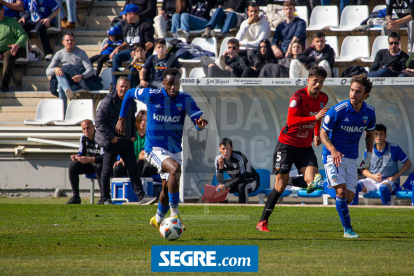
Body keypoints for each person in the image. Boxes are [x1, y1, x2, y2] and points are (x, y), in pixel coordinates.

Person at [115, 68, 208, 231]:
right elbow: (129, 93)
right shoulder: (152, 95)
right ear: (163, 83)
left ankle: (157, 219)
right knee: (175, 169)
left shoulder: (185, 99)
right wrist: (121, 119)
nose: (173, 87)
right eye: (170, 84)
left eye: (176, 84)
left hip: (174, 150)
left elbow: (196, 121)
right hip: (154, 148)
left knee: (167, 186)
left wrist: (199, 126)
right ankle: (175, 215)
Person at [256, 65, 329, 232]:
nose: (317, 85)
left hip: (305, 146)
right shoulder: (298, 97)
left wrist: (317, 134)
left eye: (321, 82)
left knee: (313, 181)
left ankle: (290, 180)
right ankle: (262, 222)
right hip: (287, 145)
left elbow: (318, 118)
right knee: (279, 187)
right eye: (315, 81)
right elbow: (291, 121)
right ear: (308, 80)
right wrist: (314, 117)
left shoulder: (323, 98)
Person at [320, 74, 376, 238]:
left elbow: (370, 135)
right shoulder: (338, 111)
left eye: (358, 92)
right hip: (332, 156)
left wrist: (368, 157)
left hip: (351, 158)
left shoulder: (369, 113)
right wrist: (333, 149)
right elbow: (323, 134)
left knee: (349, 198)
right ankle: (348, 230)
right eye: (352, 90)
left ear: (365, 95)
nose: (353, 94)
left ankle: (321, 184)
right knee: (342, 192)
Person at [94, 76, 157, 205]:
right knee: (106, 170)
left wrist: (133, 134)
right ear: (116, 87)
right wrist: (111, 137)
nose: (123, 89)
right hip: (112, 142)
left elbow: (133, 119)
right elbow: (99, 122)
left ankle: (141, 197)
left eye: (126, 87)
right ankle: (105, 198)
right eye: (121, 86)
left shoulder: (131, 102)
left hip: (126, 142)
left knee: (133, 169)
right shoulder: (107, 102)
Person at [351, 124, 411, 205]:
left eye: (381, 134)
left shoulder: (394, 148)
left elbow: (408, 164)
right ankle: (353, 212)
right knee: (355, 186)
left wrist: (395, 177)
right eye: (376, 134)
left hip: (388, 181)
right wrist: (373, 177)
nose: (378, 136)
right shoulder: (369, 149)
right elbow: (364, 170)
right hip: (372, 180)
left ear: (385, 136)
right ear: (373, 135)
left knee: (383, 189)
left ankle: (387, 210)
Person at [46, 32, 101, 113]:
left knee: (60, 85)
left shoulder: (81, 53)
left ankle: (62, 115)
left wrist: (82, 76)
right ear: (63, 42)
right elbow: (47, 71)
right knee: (59, 74)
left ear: (74, 42)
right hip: (66, 79)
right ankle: (68, 91)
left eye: (71, 40)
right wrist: (55, 69)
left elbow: (90, 69)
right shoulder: (59, 54)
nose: (69, 42)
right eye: (67, 40)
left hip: (77, 81)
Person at [110, 4, 154, 88]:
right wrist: (118, 48)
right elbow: (127, 41)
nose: (124, 17)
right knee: (116, 58)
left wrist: (138, 51)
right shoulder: (127, 25)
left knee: (133, 62)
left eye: (126, 15)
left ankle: (129, 87)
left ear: (132, 14)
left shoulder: (146, 25)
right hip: (129, 50)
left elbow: (150, 43)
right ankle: (117, 86)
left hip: (141, 53)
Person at [66, 120, 104, 204]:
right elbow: (82, 152)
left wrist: (88, 159)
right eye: (84, 128)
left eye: (88, 128)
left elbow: (104, 157)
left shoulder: (100, 136)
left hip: (103, 164)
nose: (86, 130)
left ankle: (103, 197)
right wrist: (77, 157)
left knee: (99, 167)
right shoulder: (83, 137)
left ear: (93, 127)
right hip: (91, 163)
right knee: (73, 166)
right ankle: (76, 197)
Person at [113, 110, 158, 179]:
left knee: (136, 164)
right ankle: (116, 189)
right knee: (118, 168)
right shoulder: (131, 134)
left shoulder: (151, 137)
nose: (143, 122)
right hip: (129, 162)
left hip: (144, 164)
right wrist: (121, 159)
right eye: (141, 120)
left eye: (145, 120)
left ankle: (135, 188)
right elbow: (123, 148)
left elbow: (143, 156)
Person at [214, 138, 260, 204]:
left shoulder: (239, 157)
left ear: (232, 148)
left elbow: (242, 177)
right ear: (219, 149)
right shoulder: (218, 159)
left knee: (241, 186)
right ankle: (223, 212)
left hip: (252, 180)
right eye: (223, 149)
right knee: (220, 185)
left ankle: (243, 211)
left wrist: (226, 186)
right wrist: (221, 167)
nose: (226, 151)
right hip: (237, 181)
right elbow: (219, 179)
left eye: (228, 148)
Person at [0, 3, 28, 92]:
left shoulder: (11, 21)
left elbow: (23, 35)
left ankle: (5, 85)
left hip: (14, 49)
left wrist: (17, 44)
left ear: (3, 10)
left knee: (9, 55)